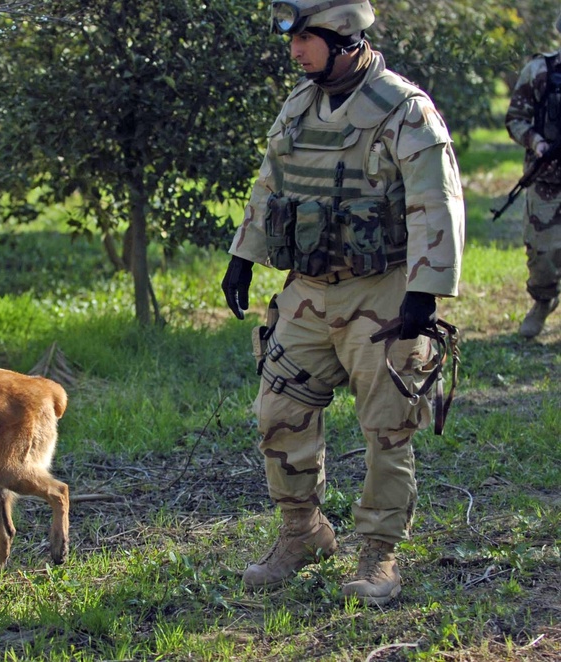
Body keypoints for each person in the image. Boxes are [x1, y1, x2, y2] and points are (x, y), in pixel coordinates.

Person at [221, 0, 464, 606]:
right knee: (278, 413)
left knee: (387, 427)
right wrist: (243, 254)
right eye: (294, 39)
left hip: (381, 291)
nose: (296, 51)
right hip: (307, 290)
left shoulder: (403, 108)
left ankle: (379, 552)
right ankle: (302, 534)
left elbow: (438, 202)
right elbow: (270, 183)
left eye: (307, 39)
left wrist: (424, 292)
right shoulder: (300, 105)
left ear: (346, 37)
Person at [504, 9, 561, 339]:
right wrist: (535, 141)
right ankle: (543, 300)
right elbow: (515, 118)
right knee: (542, 257)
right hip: (546, 182)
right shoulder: (540, 71)